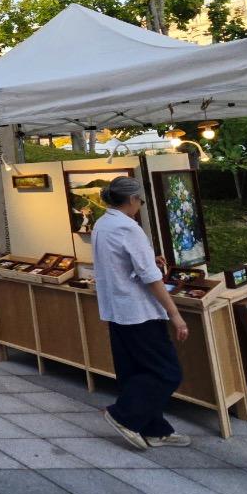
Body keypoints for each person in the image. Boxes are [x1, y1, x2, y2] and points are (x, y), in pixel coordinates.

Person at [92, 175, 191, 450]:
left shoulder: (103, 223)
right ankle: (123, 415)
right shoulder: (127, 227)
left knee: (134, 370)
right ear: (133, 199)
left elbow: (125, 265)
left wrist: (149, 258)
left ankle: (155, 429)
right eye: (140, 200)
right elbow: (149, 276)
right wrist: (175, 314)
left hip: (116, 309)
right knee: (167, 372)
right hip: (139, 311)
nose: (140, 205)